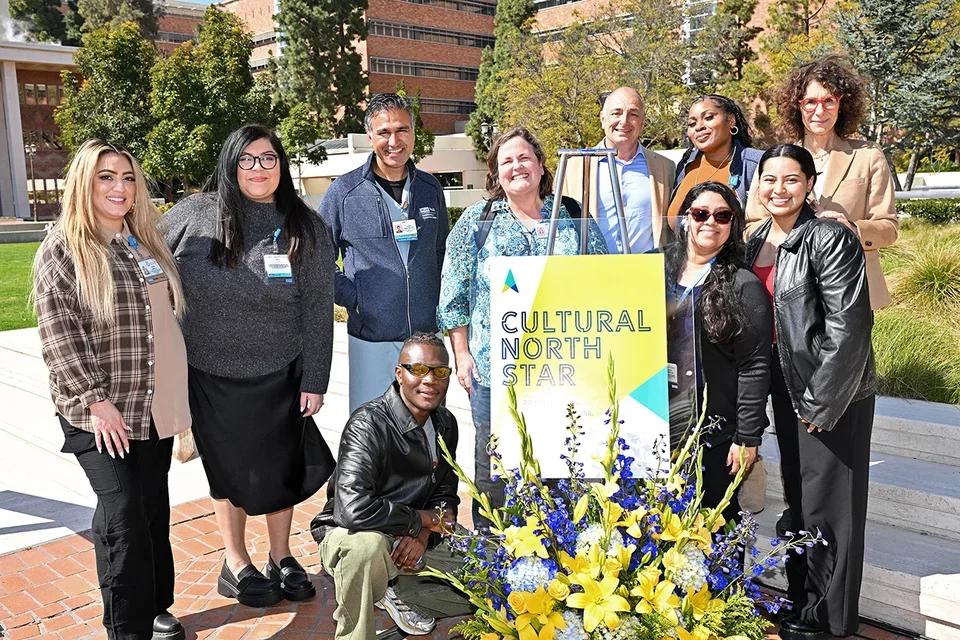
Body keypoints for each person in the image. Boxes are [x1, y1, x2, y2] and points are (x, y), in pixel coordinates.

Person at [165, 124, 336, 608]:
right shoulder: (194, 213)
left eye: (268, 159)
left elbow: (318, 309)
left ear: (282, 165)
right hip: (209, 372)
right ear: (230, 163)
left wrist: (315, 378)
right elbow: (142, 255)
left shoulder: (305, 225)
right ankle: (235, 560)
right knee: (229, 471)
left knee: (279, 469)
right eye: (247, 159)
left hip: (281, 371)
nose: (258, 169)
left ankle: (281, 555)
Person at [33, 140, 189, 640]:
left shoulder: (145, 241)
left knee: (151, 506)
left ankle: (157, 604)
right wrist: (97, 402)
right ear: (84, 182)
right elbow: (59, 333)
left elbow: (163, 324)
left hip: (151, 406)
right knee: (122, 510)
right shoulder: (63, 247)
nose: (119, 187)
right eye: (105, 177)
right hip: (96, 409)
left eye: (126, 177)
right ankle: (128, 628)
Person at [438, 127, 608, 527]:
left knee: (561, 467)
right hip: (495, 372)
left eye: (524, 157)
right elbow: (453, 296)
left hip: (564, 371)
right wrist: (461, 355)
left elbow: (604, 278)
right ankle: (495, 561)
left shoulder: (572, 215)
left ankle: (560, 559)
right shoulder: (476, 222)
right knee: (496, 471)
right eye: (506, 161)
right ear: (496, 173)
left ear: (541, 164)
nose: (517, 166)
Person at [746, 144, 875, 640]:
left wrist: (824, 398)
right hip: (783, 380)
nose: (779, 189)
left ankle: (829, 621)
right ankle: (804, 603)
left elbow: (850, 324)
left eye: (791, 180)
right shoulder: (755, 238)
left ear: (809, 185)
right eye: (770, 179)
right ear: (758, 184)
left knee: (830, 505)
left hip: (830, 387)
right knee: (801, 500)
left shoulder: (828, 237)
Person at [310, 333, 468, 640]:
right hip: (354, 533)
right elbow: (352, 510)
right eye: (418, 369)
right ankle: (356, 631)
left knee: (492, 569)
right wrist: (420, 521)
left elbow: (445, 494)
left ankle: (397, 593)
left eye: (440, 372)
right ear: (399, 373)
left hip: (409, 535)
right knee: (366, 550)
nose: (430, 380)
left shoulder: (446, 423)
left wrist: (422, 533)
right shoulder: (368, 424)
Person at [319, 93, 449, 413]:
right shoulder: (344, 193)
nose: (394, 141)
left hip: (425, 343)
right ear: (370, 137)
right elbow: (317, 258)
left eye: (402, 130)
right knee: (371, 439)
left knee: (426, 440)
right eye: (384, 132)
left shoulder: (430, 189)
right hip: (370, 342)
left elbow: (441, 253)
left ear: (414, 133)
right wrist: (355, 298)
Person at [746, 55, 898, 309]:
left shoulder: (868, 156)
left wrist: (851, 229)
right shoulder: (774, 161)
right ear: (797, 106)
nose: (820, 110)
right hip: (787, 289)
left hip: (851, 289)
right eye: (810, 101)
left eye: (829, 100)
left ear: (842, 104)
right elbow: (752, 227)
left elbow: (889, 228)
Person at [663, 182, 772, 523]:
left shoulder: (743, 284)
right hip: (655, 421)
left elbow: (755, 366)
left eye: (722, 216)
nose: (710, 222)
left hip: (713, 430)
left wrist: (747, 436)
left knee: (712, 526)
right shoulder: (653, 266)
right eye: (700, 213)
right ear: (685, 219)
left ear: (733, 224)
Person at [560, 86, 676, 254]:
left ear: (643, 122)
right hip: (590, 271)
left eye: (633, 114)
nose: (624, 121)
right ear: (602, 119)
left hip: (645, 272)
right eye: (616, 113)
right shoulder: (573, 167)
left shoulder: (665, 168)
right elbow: (559, 224)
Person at [668, 94, 764, 218]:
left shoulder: (757, 164)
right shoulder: (685, 166)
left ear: (731, 120)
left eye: (708, 117)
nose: (699, 127)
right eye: (692, 124)